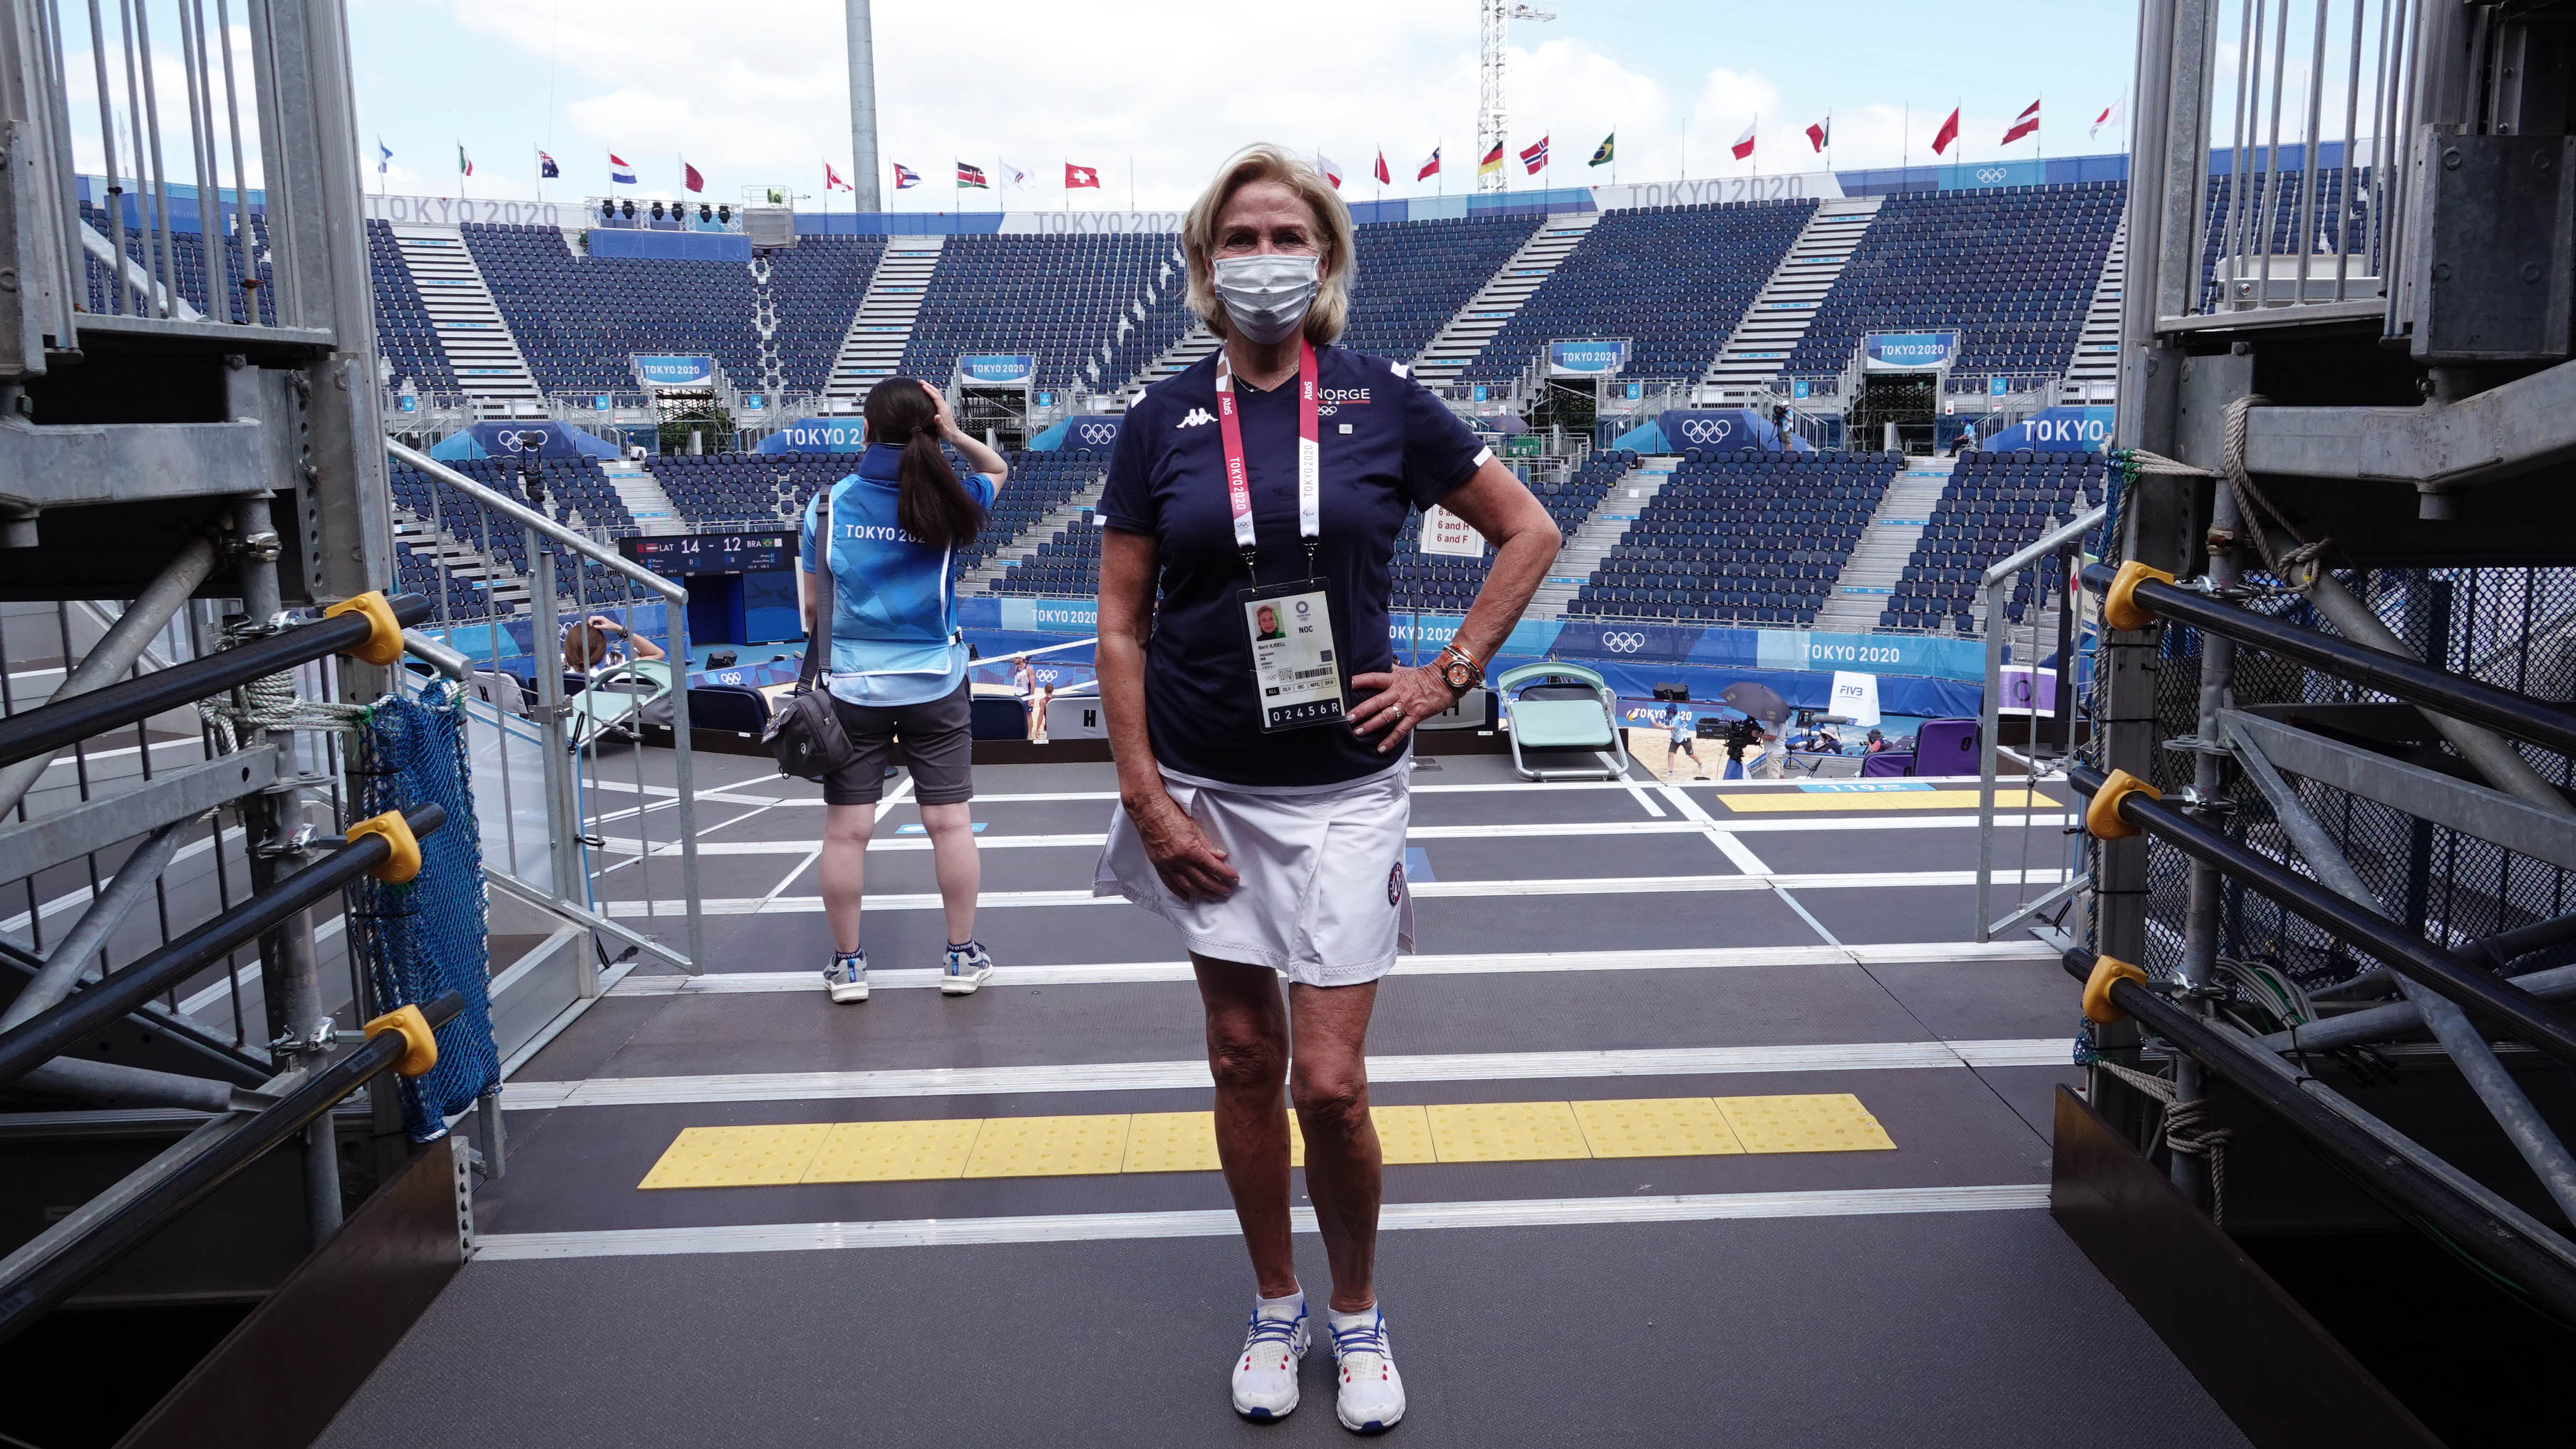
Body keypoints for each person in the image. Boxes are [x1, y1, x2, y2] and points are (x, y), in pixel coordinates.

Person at [1092, 144, 1560, 1433]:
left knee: (1330, 1081)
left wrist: (1447, 673)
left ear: (1329, 256)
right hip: (1203, 779)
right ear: (1200, 265)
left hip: (1350, 785)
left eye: (1282, 234)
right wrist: (1143, 794)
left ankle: (1357, 1309)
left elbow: (1531, 529)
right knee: (1245, 1057)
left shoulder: (1384, 400)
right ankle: (1273, 1300)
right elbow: (1122, 623)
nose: (1260, 260)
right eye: (1235, 239)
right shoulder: (1159, 423)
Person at [799, 377, 1010, 1004]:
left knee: (845, 835)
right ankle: (960, 957)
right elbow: (998, 465)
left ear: (866, 431)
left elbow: (813, 609)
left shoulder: (826, 507)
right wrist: (950, 432)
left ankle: (849, 967)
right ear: (931, 426)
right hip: (935, 680)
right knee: (949, 825)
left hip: (851, 689)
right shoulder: (955, 498)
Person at [562, 614, 663, 675]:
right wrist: (618, 629)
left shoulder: (555, 675)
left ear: (567, 648)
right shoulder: (611, 675)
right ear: (601, 650)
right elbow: (658, 654)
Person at [1009, 654, 1052, 743]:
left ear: (1021, 659)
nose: (1014, 659)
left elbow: (1033, 684)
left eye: (1016, 658)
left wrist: (1031, 698)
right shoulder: (1016, 668)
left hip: (1027, 695)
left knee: (1029, 715)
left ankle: (1029, 734)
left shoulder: (1029, 669)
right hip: (1017, 695)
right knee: (1017, 715)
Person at [1660, 702, 1702, 780]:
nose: (1668, 712)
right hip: (1675, 738)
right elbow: (1660, 725)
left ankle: (1700, 765)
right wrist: (1655, 723)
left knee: (1691, 755)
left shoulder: (1678, 719)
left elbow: (1672, 727)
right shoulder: (1667, 717)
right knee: (1670, 754)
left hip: (1684, 738)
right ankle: (1670, 772)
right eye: (1668, 711)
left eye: (1670, 711)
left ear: (1673, 712)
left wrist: (1665, 727)